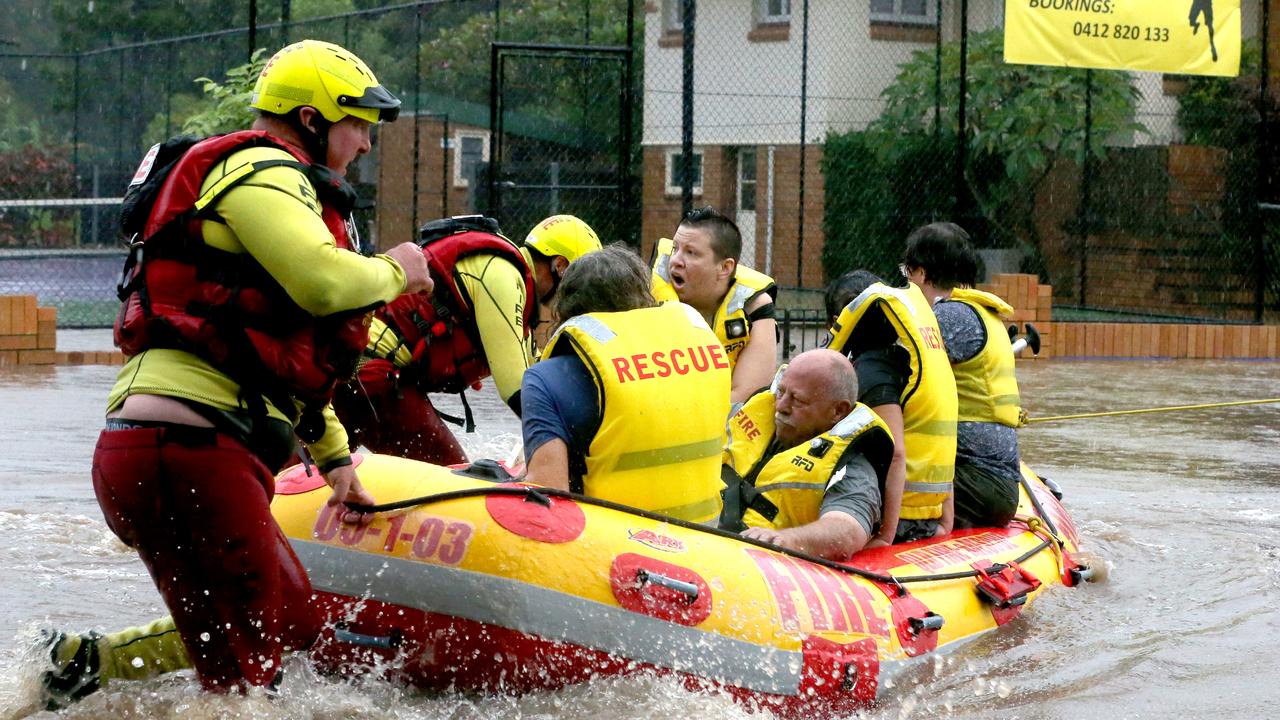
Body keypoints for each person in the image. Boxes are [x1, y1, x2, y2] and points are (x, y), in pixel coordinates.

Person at [48, 39, 432, 704]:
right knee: (263, 658)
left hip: (163, 450)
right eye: (358, 125)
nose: (367, 145)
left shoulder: (267, 179)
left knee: (259, 649)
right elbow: (318, 281)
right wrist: (400, 268)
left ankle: (71, 679)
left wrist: (337, 466)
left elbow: (286, 363)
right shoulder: (265, 170)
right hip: (194, 453)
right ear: (312, 120)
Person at [333, 213, 602, 465]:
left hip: (355, 373)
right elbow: (520, 391)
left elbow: (539, 381)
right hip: (368, 374)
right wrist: (575, 452)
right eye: (577, 287)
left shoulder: (512, 281)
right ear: (561, 266)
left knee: (311, 471)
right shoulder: (502, 274)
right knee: (448, 478)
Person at [521, 244, 730, 523]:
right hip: (706, 539)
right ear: (644, 298)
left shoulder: (545, 379)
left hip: (614, 547)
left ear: (566, 308)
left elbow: (548, 503)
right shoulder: (702, 350)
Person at [901, 222, 1021, 529]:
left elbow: (897, 376)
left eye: (908, 273)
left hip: (975, 482)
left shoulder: (948, 317)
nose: (907, 283)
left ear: (923, 273)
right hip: (993, 482)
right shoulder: (982, 313)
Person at [720, 349, 895, 560]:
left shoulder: (852, 467)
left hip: (762, 567)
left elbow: (848, 531)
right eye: (781, 392)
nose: (781, 406)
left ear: (838, 411)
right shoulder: (752, 415)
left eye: (797, 400)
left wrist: (785, 540)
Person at [825, 270, 957, 546]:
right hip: (926, 514)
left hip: (901, 522)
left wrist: (885, 537)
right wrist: (946, 521)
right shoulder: (906, 360)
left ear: (839, 322)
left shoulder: (873, 372)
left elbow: (897, 454)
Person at [650, 206, 777, 403]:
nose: (675, 261)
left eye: (691, 253)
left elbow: (747, 396)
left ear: (725, 267)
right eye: (675, 248)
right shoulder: (646, 293)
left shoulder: (753, 306)